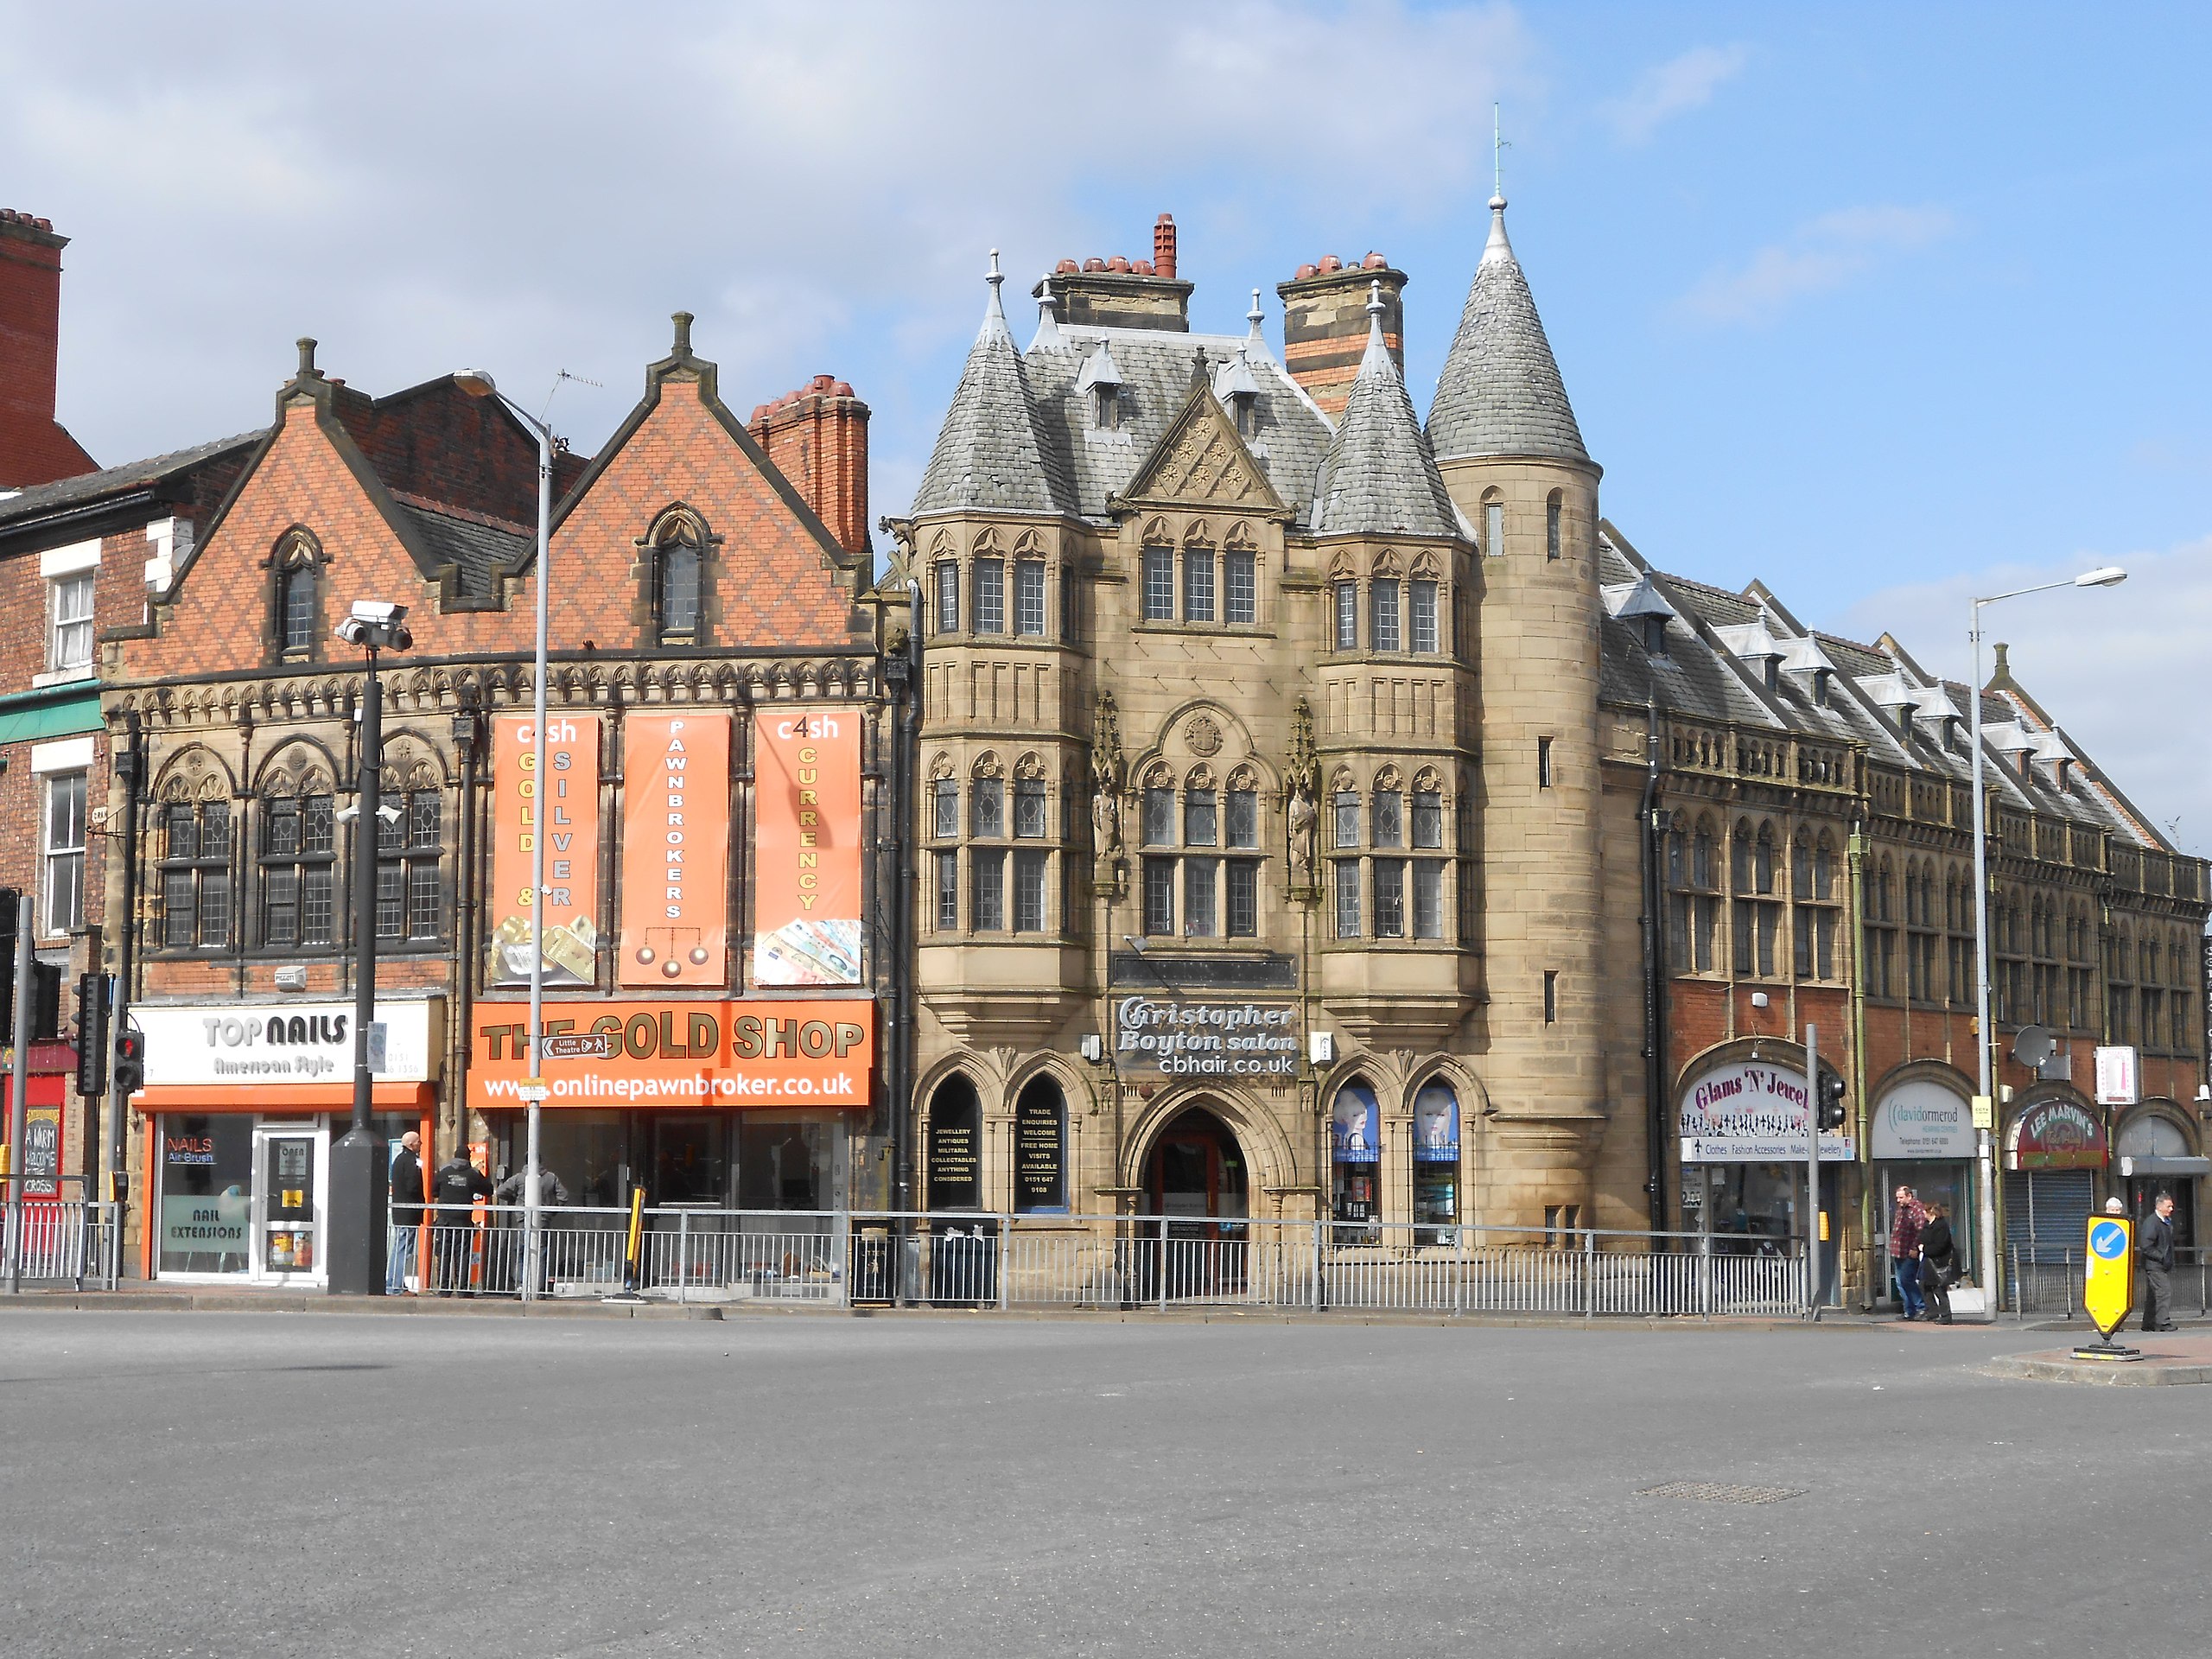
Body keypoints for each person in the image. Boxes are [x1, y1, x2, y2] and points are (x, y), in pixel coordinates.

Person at [429, 1145, 493, 1295]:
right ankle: (463, 1289)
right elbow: (488, 1190)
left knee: (444, 1254)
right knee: (463, 1255)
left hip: (444, 1220)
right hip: (463, 1221)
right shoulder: (473, 1173)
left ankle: (444, 1288)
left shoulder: (444, 1172)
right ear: (468, 1157)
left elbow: (434, 1191)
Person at [385, 1131, 424, 1295]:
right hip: (408, 1211)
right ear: (411, 1144)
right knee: (403, 1248)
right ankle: (396, 1285)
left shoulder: (399, 1159)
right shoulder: (410, 1161)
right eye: (418, 1142)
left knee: (399, 1247)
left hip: (401, 1211)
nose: (421, 1144)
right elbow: (413, 1186)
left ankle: (394, 1282)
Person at [2139, 1191, 2178, 1334]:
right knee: (2164, 1291)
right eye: (2169, 1206)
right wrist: (2162, 1257)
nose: (2171, 1209)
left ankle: (2148, 1323)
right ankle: (2162, 1322)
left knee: (2153, 1294)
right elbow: (2146, 1245)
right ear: (2160, 1206)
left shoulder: (2165, 1222)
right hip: (2154, 1265)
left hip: (2159, 1264)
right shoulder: (2152, 1222)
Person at [1890, 1185, 1927, 1320]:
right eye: (1897, 1198)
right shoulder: (1901, 1209)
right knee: (1900, 1282)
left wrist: (1915, 1248)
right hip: (1898, 1250)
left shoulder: (1916, 1209)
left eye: (1901, 1197)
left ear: (1909, 1196)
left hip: (1909, 1251)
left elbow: (1921, 1230)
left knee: (1907, 1280)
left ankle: (1921, 1307)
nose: (1898, 1200)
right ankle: (1909, 1310)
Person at [1918, 1201, 1957, 1325]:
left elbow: (1940, 1246)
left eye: (1924, 1211)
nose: (1922, 1214)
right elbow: (1922, 1239)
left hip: (1939, 1261)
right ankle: (1932, 1312)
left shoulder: (1941, 1226)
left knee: (1939, 1288)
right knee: (1924, 1285)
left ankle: (1946, 1316)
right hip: (1928, 1261)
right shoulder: (1927, 1225)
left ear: (1931, 1212)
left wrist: (1924, 1248)